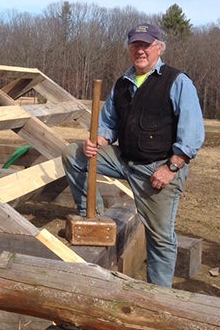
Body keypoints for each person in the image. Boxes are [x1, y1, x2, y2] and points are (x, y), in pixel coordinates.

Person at [61, 23, 205, 287]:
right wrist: (98, 140)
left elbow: (192, 134)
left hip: (157, 168)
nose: (140, 50)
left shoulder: (176, 81)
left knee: (160, 238)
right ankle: (91, 215)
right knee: (73, 154)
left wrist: (171, 168)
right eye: (135, 45)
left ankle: (158, 299)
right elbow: (108, 124)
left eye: (146, 45)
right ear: (129, 49)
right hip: (125, 160)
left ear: (158, 48)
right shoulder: (123, 84)